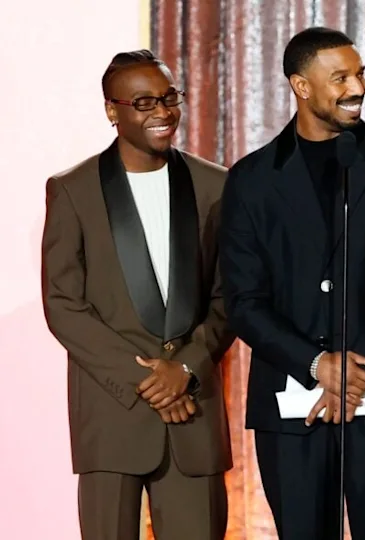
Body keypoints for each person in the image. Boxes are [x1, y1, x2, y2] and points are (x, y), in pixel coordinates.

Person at [219, 27, 365, 540]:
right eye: (340, 77)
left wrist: (357, 373)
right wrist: (318, 365)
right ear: (301, 86)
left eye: (360, 72)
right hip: (292, 399)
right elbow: (244, 300)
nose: (357, 86)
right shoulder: (252, 178)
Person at [41, 50, 234, 540]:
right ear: (113, 111)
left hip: (194, 411)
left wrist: (185, 368)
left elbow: (230, 296)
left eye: (170, 98)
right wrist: (147, 380)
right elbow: (63, 304)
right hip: (111, 416)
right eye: (145, 102)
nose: (163, 113)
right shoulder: (73, 190)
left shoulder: (216, 185)